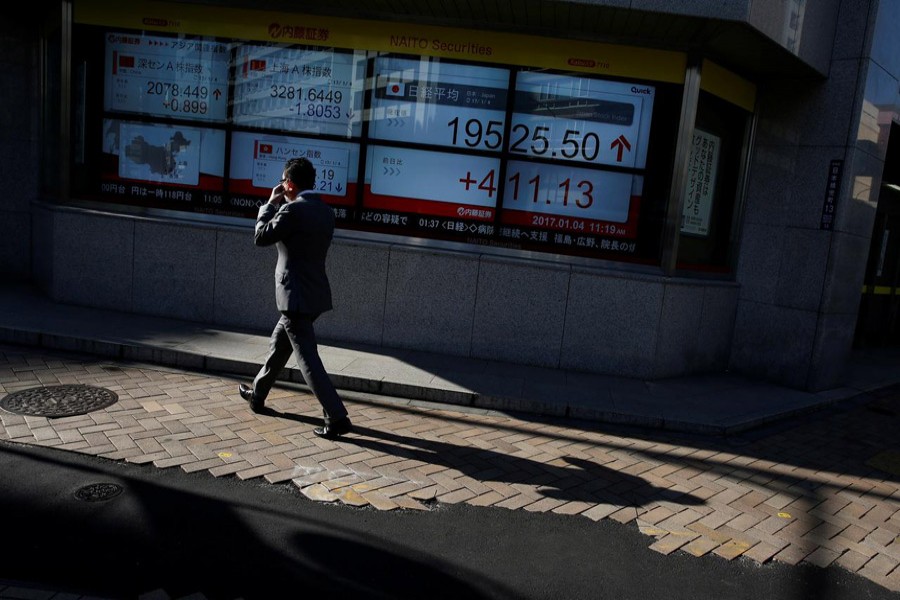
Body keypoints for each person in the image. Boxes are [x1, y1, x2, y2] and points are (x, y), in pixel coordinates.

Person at [238, 157, 352, 440]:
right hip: (314, 293)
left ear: (288, 183)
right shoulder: (325, 211)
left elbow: (260, 237)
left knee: (307, 360)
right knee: (279, 346)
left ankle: (336, 416)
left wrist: (270, 204)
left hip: (294, 296)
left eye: (282, 181)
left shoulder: (292, 210)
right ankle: (257, 395)